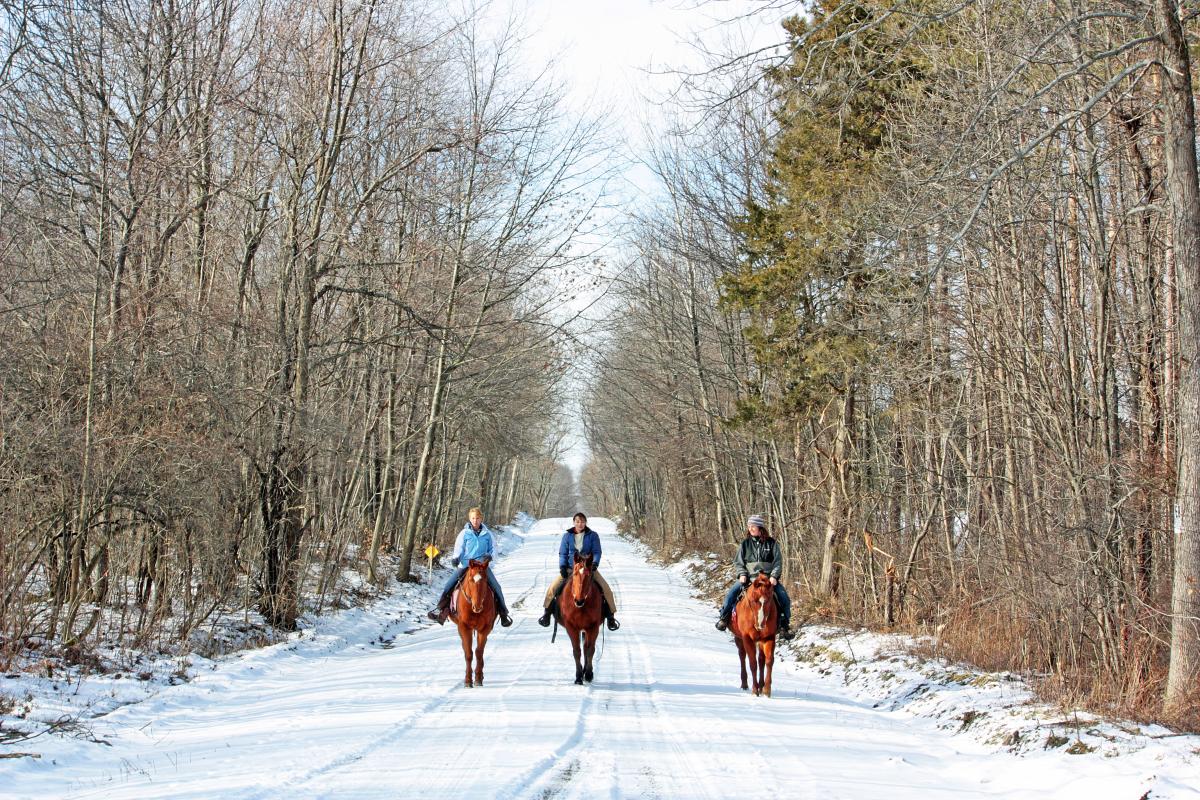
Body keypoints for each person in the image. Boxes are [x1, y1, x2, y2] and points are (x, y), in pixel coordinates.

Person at [427, 507, 513, 627]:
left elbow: (494, 549)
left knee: (496, 587)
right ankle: (440, 610)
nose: (475, 520)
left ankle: (503, 613)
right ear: (469, 519)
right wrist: (456, 558)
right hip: (466, 565)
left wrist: (490, 556)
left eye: (477, 518)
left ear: (481, 518)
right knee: (449, 585)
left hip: (481, 568)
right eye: (473, 518)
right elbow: (459, 548)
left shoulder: (488, 534)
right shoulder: (464, 533)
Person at [537, 512, 620, 631]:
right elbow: (563, 553)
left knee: (606, 589)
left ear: (585, 523)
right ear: (574, 523)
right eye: (577, 521)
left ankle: (611, 617)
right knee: (552, 588)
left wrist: (595, 563)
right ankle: (546, 614)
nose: (580, 524)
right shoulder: (567, 536)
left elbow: (597, 552)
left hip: (588, 569)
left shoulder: (593, 535)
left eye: (582, 522)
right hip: (571, 568)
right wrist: (562, 567)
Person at [715, 514, 793, 640]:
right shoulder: (745, 544)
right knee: (731, 594)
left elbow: (778, 562)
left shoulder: (772, 543)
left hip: (767, 580)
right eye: (749, 526)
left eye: (753, 526)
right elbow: (738, 562)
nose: (750, 528)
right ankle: (724, 618)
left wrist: (774, 576)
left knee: (784, 597)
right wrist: (742, 574)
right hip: (749, 578)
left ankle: (785, 626)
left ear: (760, 527)